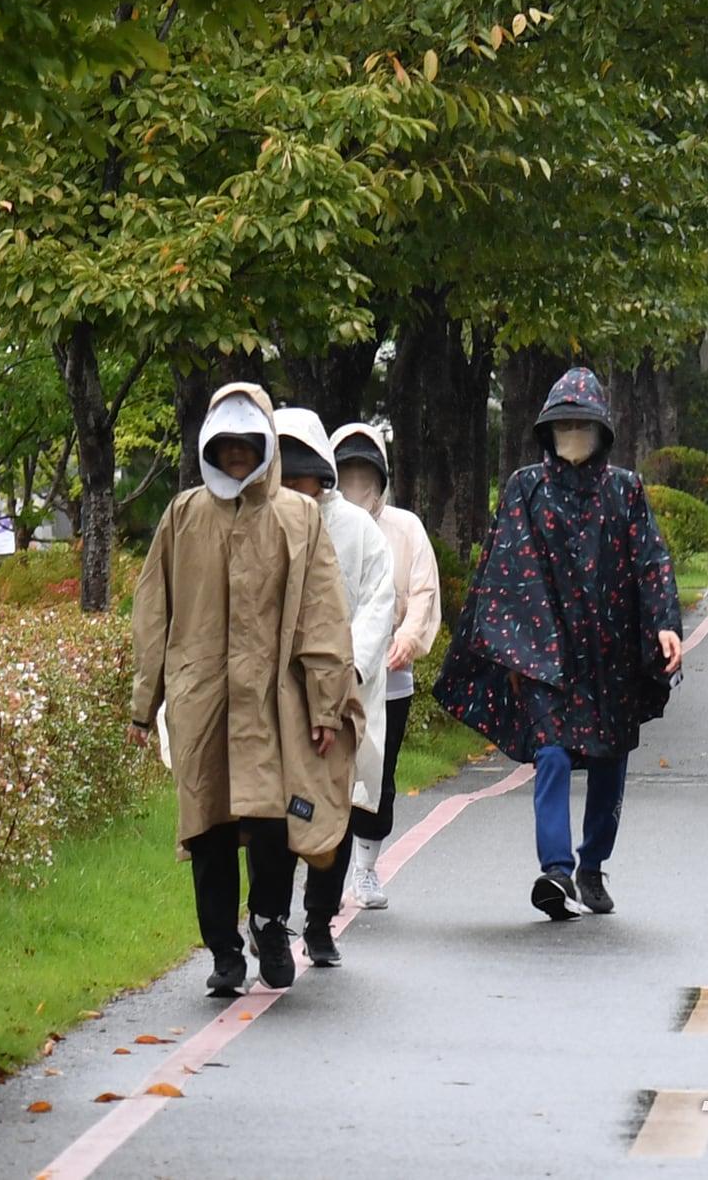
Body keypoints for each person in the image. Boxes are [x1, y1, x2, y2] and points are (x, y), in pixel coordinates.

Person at [128, 384, 362, 998]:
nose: (236, 455)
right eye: (225, 443)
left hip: (273, 701)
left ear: (265, 445)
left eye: (246, 443)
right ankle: (224, 955)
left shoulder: (298, 517)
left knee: (273, 824)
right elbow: (153, 611)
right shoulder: (183, 516)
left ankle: (269, 922)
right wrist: (143, 701)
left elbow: (323, 614)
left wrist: (326, 703)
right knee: (206, 827)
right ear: (209, 445)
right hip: (202, 699)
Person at [435, 366, 682, 921]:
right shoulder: (527, 488)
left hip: (612, 655)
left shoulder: (626, 490)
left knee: (609, 757)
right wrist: (515, 647)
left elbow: (651, 562)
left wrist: (664, 622)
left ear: (600, 430)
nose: (573, 434)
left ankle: (592, 864)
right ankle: (556, 869)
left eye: (582, 424)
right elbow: (504, 569)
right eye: (563, 424)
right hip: (547, 654)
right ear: (547, 429)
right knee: (549, 752)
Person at [274, 407, 394, 970]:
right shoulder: (261, 521)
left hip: (343, 692)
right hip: (277, 695)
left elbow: (377, 604)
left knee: (335, 808)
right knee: (274, 809)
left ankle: (318, 922)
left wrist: (347, 672)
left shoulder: (358, 530)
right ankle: (270, 917)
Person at [331, 420, 443, 909]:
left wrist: (408, 639)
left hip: (391, 679)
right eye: (347, 473)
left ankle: (366, 868)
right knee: (328, 773)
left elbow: (422, 592)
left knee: (379, 772)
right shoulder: (314, 525)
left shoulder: (405, 529)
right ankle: (324, 880)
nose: (358, 485)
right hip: (329, 678)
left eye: (365, 474)